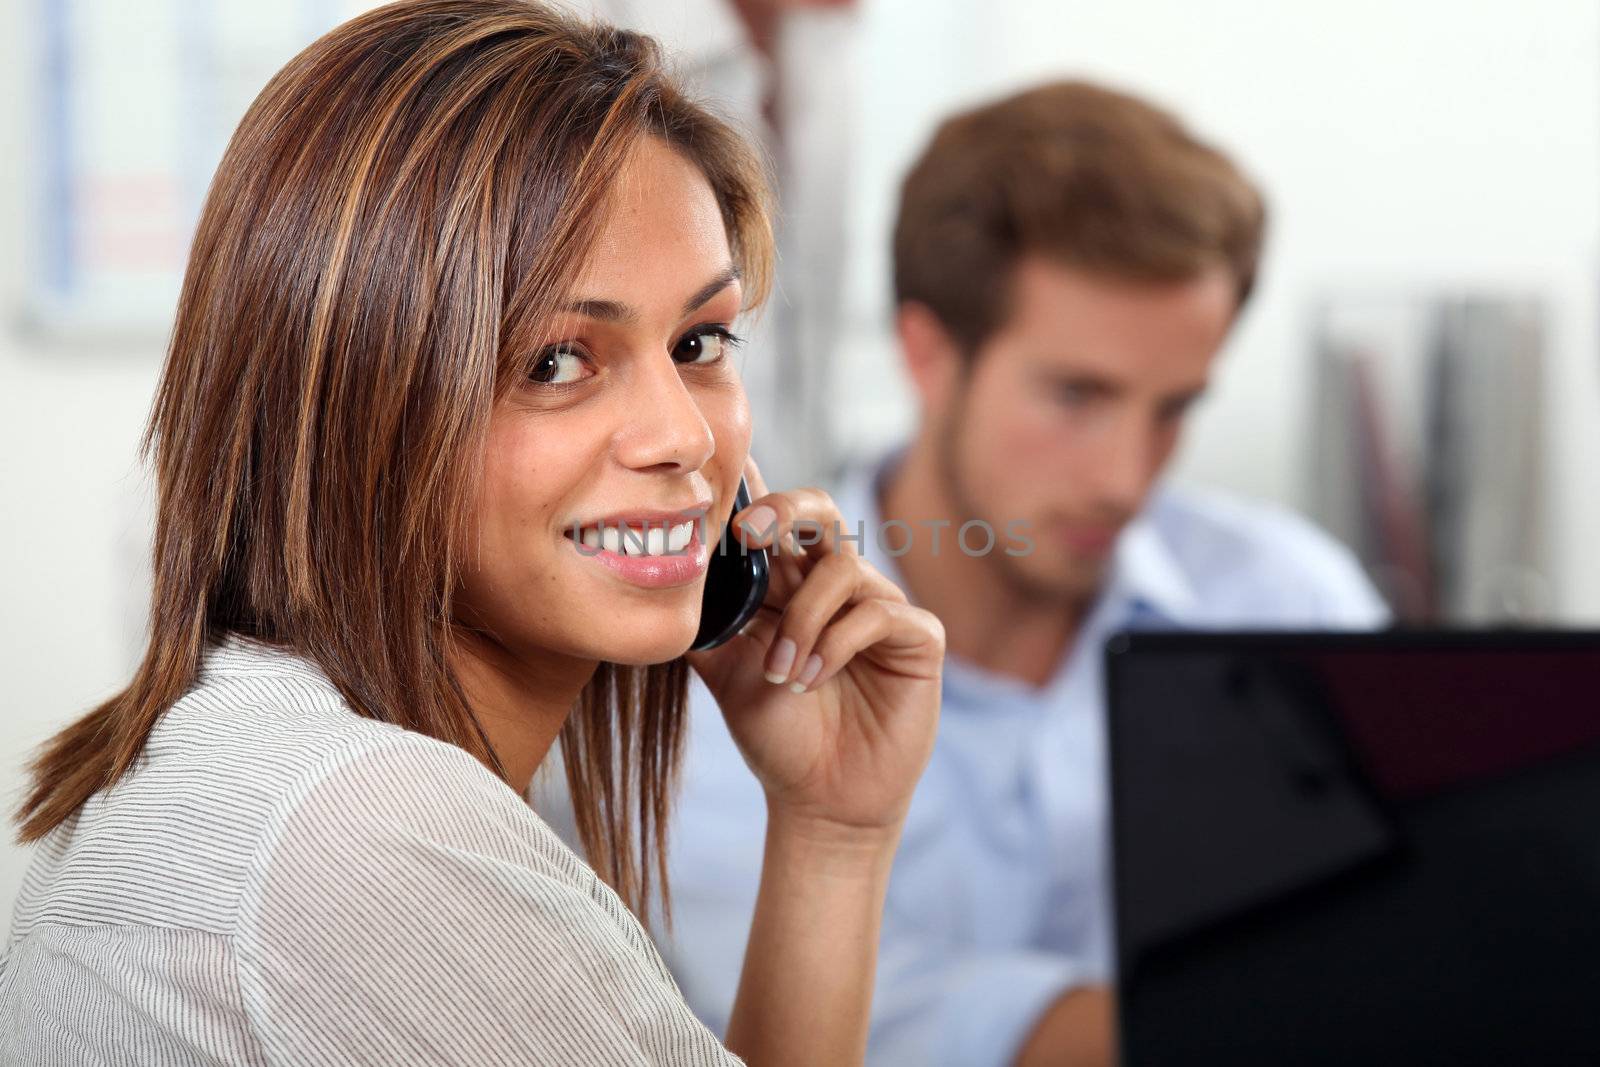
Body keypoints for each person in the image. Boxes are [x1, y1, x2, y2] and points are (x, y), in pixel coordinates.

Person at [0, 3, 945, 1065]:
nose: (685, 434)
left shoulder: (249, 744)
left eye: (699, 339)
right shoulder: (365, 827)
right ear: (356, 398)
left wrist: (832, 835)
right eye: (555, 361)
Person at [626, 81, 1392, 1067]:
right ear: (926, 351)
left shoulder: (1292, 599)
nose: (1125, 477)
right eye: (1077, 394)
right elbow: (859, 1034)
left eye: (1173, 408)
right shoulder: (721, 661)